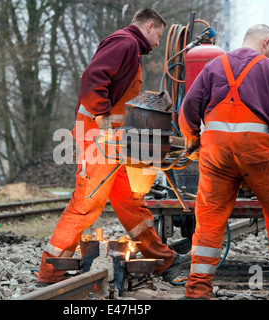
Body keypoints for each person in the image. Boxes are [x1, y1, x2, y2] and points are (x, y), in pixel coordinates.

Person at [37, 8, 190, 286]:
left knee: (130, 201)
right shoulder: (125, 42)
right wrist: (102, 119)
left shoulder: (131, 48)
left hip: (115, 142)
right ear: (150, 25)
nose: (158, 42)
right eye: (158, 35)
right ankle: (50, 271)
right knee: (87, 204)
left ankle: (164, 261)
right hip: (97, 137)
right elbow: (92, 78)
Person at [178, 24, 269, 299]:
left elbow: (188, 106)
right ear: (267, 43)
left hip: (215, 152)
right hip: (256, 151)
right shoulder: (268, 68)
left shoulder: (213, 66)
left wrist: (191, 138)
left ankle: (197, 289)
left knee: (209, 218)